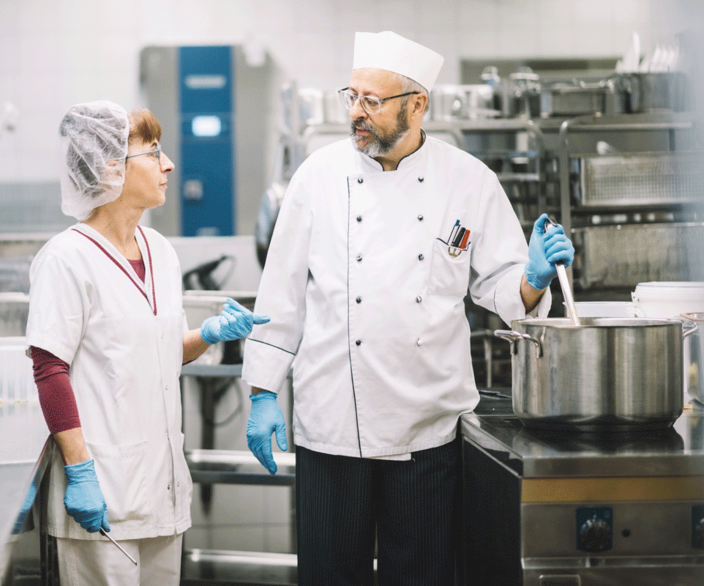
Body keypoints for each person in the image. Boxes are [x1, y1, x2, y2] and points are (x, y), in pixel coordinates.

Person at [241, 32, 574, 586]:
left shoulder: (468, 181)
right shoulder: (317, 178)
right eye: (352, 96)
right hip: (332, 423)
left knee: (421, 576)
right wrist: (262, 392)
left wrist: (532, 278)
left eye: (372, 101)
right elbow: (282, 296)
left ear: (417, 105)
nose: (357, 112)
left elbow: (500, 286)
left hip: (428, 428)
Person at [26, 100, 269, 586]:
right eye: (154, 151)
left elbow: (158, 354)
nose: (169, 164)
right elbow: (49, 370)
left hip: (162, 487)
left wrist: (207, 335)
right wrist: (80, 472)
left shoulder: (160, 251)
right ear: (110, 167)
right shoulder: (66, 259)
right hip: (103, 492)